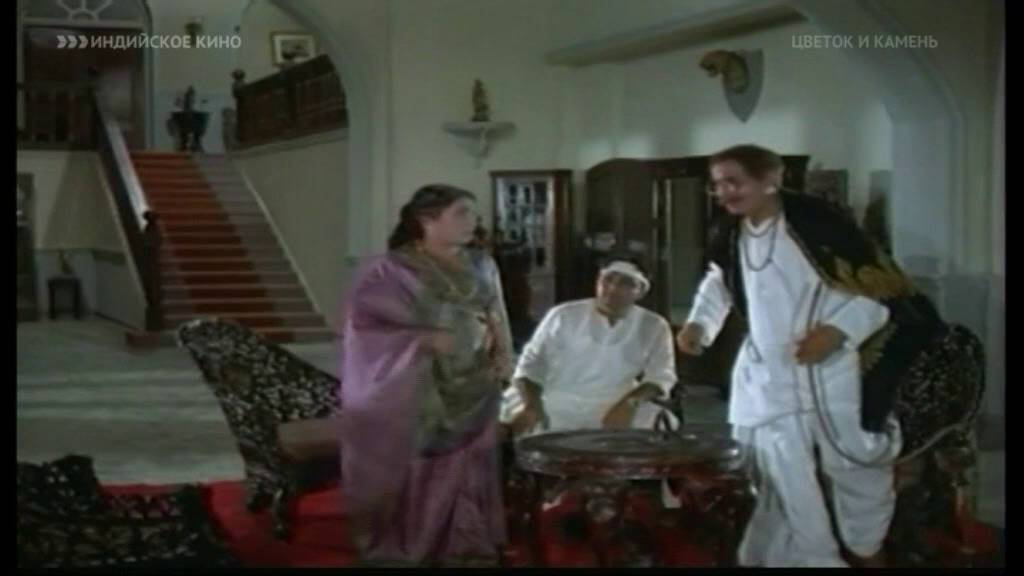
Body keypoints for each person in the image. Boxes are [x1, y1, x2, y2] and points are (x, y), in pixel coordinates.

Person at [676, 144, 945, 567]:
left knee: (853, 467)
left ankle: (867, 549)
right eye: (717, 185)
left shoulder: (819, 224)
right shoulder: (728, 232)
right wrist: (699, 325)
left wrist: (839, 331)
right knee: (778, 476)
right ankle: (810, 556)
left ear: (770, 179)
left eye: (733, 181)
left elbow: (880, 292)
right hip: (766, 376)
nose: (724, 192)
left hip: (832, 371)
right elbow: (719, 281)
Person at [337, 184, 515, 566]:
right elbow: (365, 328)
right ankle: (417, 542)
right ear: (427, 220)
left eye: (474, 214)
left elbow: (496, 312)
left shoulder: (482, 263)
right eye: (461, 213)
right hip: (420, 386)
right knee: (426, 462)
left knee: (473, 461)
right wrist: (423, 339)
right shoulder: (389, 270)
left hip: (476, 379)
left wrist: (503, 355)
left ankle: (467, 540)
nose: (473, 221)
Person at [503, 258, 677, 435]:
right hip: (557, 398)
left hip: (616, 400)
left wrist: (630, 403)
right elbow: (530, 365)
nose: (612, 289)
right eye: (607, 280)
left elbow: (661, 375)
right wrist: (532, 406)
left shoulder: (654, 325)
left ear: (641, 292)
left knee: (660, 423)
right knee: (531, 427)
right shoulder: (563, 315)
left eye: (625, 283)